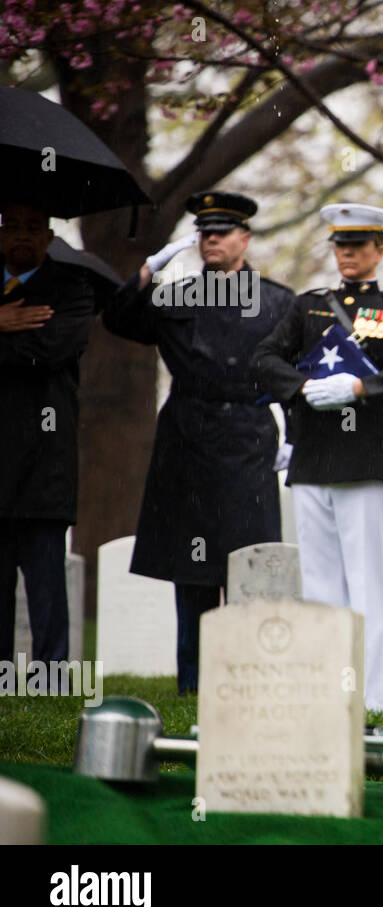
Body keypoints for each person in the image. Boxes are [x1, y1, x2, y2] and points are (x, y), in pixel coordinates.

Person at [103, 190, 296, 693]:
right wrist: (149, 267)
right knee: (194, 568)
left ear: (244, 239)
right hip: (189, 436)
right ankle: (192, 680)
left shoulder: (277, 300)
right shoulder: (178, 292)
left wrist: (294, 434)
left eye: (222, 232)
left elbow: (300, 371)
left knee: (249, 562)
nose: (212, 240)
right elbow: (119, 318)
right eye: (204, 233)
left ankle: (250, 676)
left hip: (249, 437)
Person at [251, 203, 383, 715]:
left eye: (359, 247)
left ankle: (368, 703)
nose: (348, 255)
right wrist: (302, 388)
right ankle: (323, 696)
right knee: (320, 584)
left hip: (367, 458)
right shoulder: (308, 306)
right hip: (314, 456)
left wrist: (364, 385)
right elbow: (263, 360)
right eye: (341, 246)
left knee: (367, 586)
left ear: (379, 251)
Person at [0, 201, 95, 666]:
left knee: (46, 587)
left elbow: (45, 351)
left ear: (48, 235)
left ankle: (52, 677)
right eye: (12, 225)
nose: (21, 235)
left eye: (32, 228)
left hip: (44, 466)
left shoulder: (72, 290)